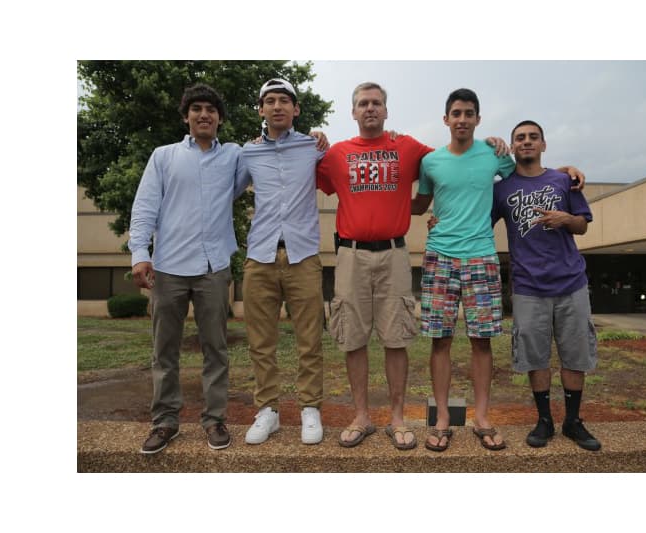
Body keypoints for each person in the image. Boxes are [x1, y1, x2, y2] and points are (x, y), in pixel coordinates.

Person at [316, 82, 510, 450]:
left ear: (387, 111)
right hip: (351, 254)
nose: (370, 108)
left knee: (396, 338)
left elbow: (452, 164)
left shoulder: (410, 149)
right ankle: (361, 416)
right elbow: (299, 171)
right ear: (353, 112)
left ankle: (397, 418)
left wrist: (501, 144)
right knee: (353, 339)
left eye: (377, 103)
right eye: (363, 104)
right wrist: (313, 140)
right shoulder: (337, 154)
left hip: (395, 254)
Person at [412, 90, 585, 452]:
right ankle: (443, 418)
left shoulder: (495, 155)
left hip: (481, 256)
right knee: (439, 341)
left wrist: (567, 170)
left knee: (481, 341)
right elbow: (420, 205)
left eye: (469, 113)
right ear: (446, 119)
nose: (462, 119)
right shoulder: (430, 162)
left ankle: (483, 418)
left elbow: (530, 170)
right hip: (440, 255)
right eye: (456, 113)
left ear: (477, 119)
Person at [130, 83, 238, 454]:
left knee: (216, 348)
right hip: (169, 266)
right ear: (186, 117)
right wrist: (139, 254)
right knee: (165, 350)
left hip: (213, 267)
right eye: (196, 109)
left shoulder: (235, 157)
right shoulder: (163, 156)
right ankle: (165, 422)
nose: (204, 114)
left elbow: (273, 153)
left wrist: (316, 139)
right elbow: (144, 207)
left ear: (220, 118)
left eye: (210, 109)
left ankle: (215, 420)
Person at [491, 120, 601, 451]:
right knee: (535, 358)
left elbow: (582, 226)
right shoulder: (501, 189)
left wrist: (565, 219)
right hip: (527, 286)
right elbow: (478, 221)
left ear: (543, 144)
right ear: (512, 147)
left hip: (571, 282)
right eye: (520, 138)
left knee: (575, 356)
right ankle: (544, 421)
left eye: (533, 137)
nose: (526, 142)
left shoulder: (563, 180)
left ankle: (573, 421)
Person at [236, 78, 327, 445]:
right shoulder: (248, 153)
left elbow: (348, 161)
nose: (277, 106)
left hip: (303, 255)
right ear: (261, 110)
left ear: (296, 109)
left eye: (284, 101)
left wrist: (322, 136)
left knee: (309, 340)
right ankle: (268, 411)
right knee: (261, 341)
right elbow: (226, 191)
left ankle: (310, 408)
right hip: (260, 255)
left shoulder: (313, 147)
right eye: (269, 101)